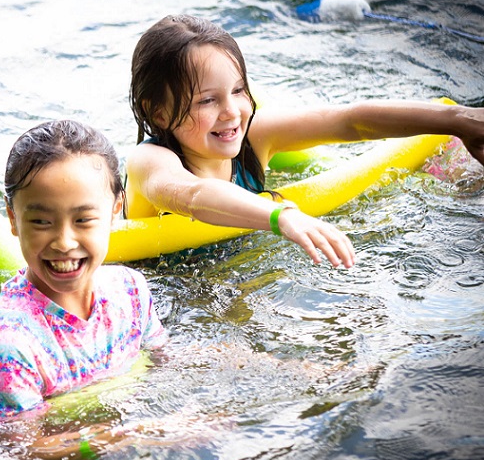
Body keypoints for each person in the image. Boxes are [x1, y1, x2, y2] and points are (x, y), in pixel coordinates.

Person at [126, 14, 484, 269]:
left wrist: (458, 120)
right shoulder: (150, 163)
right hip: (172, 289)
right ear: (158, 113)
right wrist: (281, 214)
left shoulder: (255, 136)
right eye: (207, 100)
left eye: (238, 91)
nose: (232, 112)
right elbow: (193, 195)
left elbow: (350, 122)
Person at [0, 119, 167, 417]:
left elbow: (165, 362)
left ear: (116, 210)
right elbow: (20, 447)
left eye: (83, 220)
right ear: (13, 219)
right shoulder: (10, 346)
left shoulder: (131, 291)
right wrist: (139, 436)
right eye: (41, 222)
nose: (64, 242)